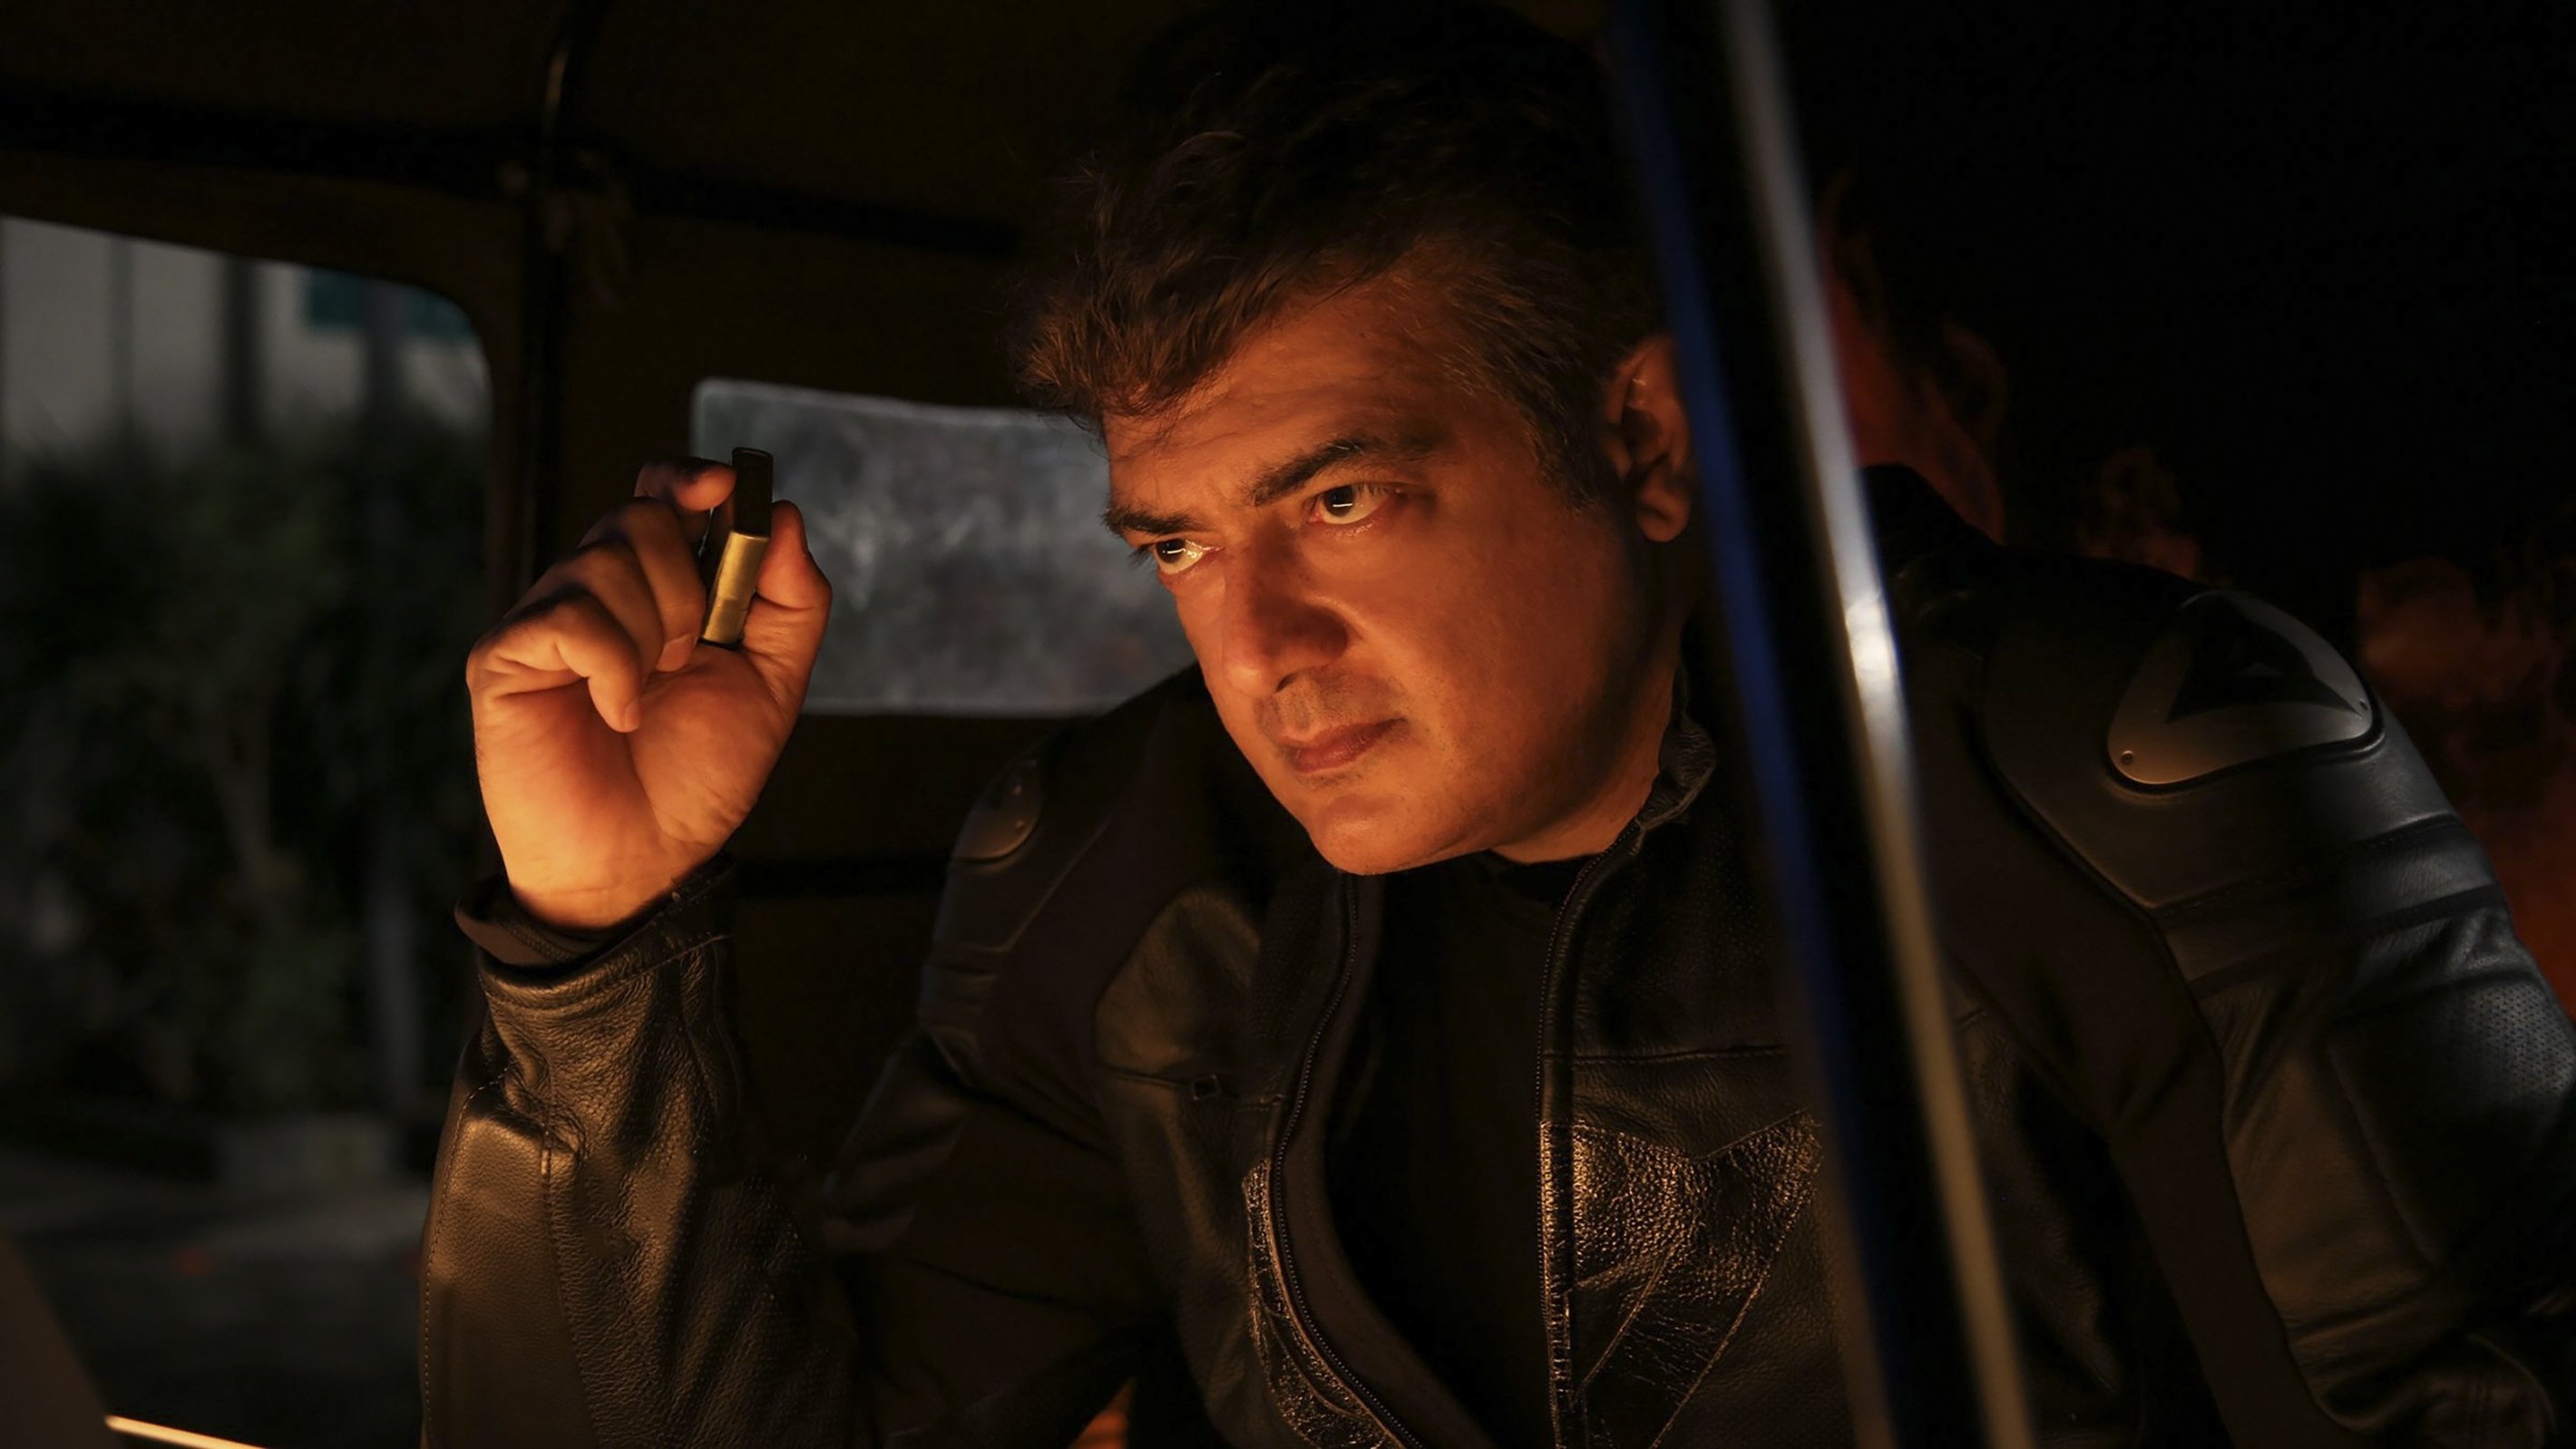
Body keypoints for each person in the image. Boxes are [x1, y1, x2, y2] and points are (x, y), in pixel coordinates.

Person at [421, 7, 2576, 1445]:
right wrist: (589, 943)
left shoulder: (2126, 784)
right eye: (1176, 543)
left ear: (1642, 437)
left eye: (1340, 501)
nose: (1255, 646)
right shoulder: (1128, 879)